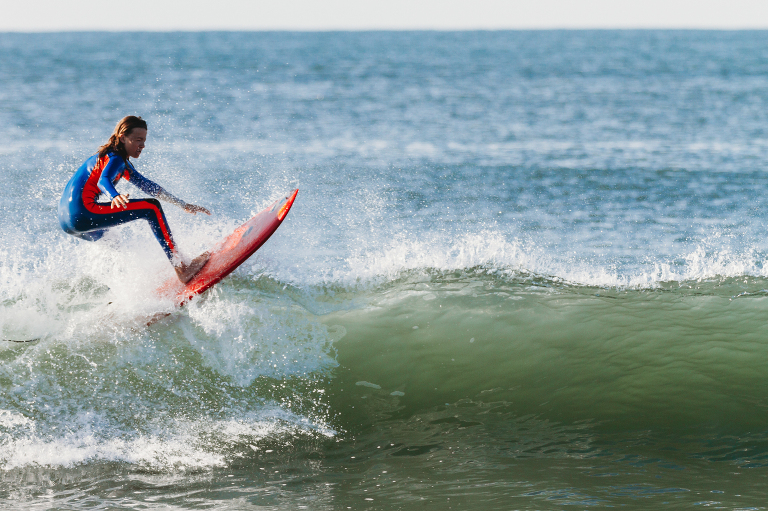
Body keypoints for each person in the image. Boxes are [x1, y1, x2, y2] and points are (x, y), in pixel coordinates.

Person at [58, 116, 211, 283]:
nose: (143, 145)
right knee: (151, 208)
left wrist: (182, 204)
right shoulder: (115, 158)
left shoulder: (114, 159)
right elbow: (104, 181)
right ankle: (182, 268)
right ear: (123, 138)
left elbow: (147, 186)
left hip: (67, 223)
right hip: (83, 213)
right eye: (138, 140)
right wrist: (114, 196)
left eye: (144, 140)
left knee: (112, 240)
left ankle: (121, 290)